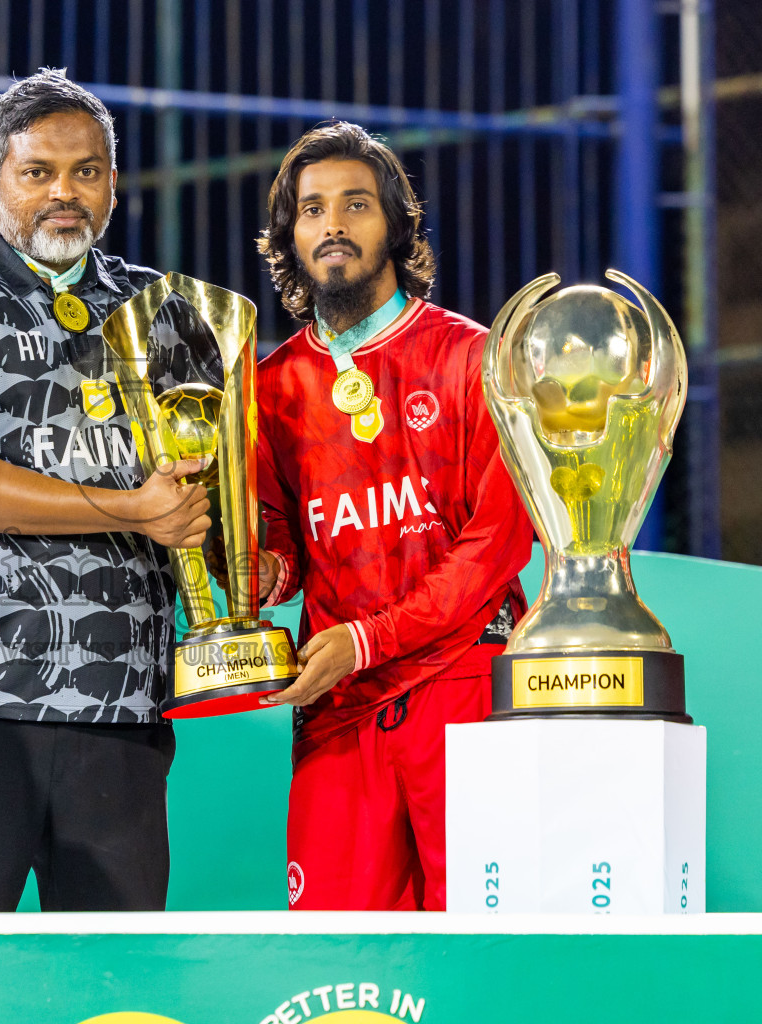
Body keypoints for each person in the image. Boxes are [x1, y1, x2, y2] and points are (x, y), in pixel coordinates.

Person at [0, 69, 211, 912]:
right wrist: (132, 510)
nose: (64, 193)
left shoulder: (162, 308)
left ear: (112, 182)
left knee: (118, 984)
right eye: (38, 173)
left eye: (87, 171)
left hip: (122, 692)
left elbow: (205, 483)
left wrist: (235, 554)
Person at [253, 122, 532, 912]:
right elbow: (280, 544)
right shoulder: (269, 388)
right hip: (338, 704)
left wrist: (368, 639)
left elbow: (498, 540)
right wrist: (252, 568)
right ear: (290, 235)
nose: (332, 224)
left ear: (397, 226)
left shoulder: (471, 358)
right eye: (311, 210)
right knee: (339, 961)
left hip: (461, 685)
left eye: (355, 205)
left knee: (478, 957)